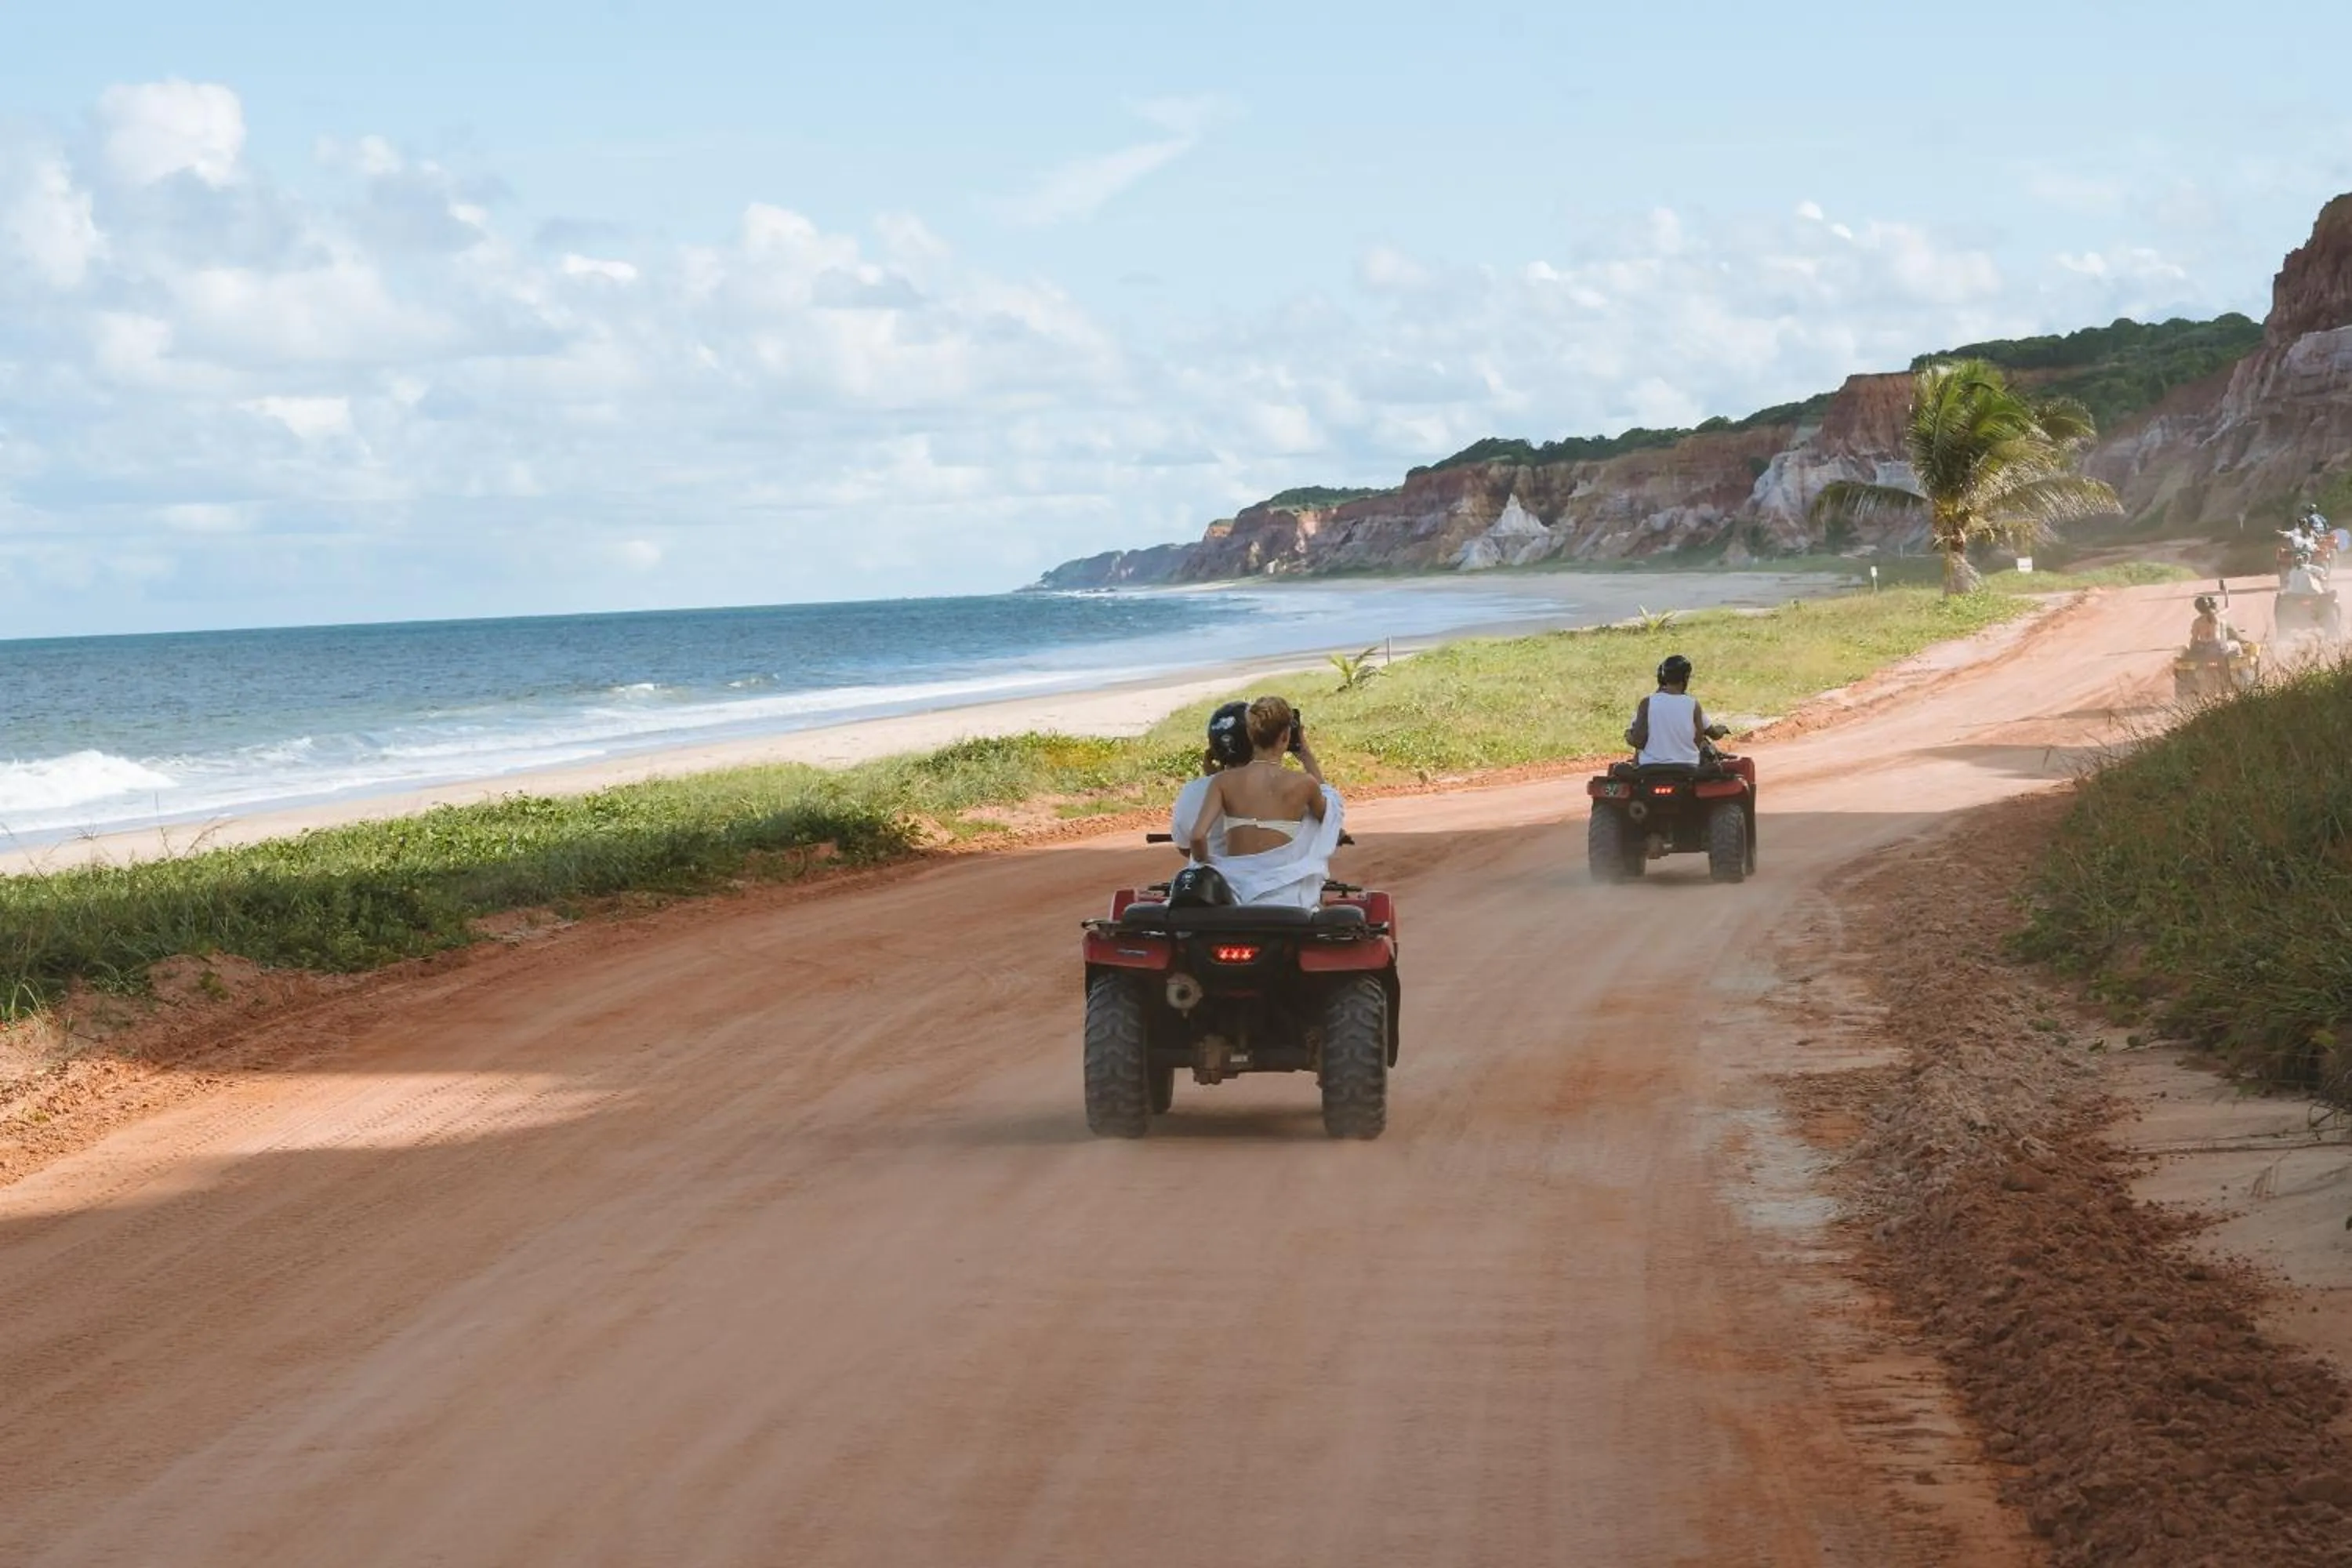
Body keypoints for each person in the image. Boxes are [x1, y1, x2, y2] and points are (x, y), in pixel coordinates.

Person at [1176, 695, 1346, 909]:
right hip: (1285, 896)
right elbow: (1330, 818)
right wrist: (1305, 754)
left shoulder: (1223, 781)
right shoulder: (1305, 784)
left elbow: (1197, 836)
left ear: (1250, 734)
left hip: (1235, 892)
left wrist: (1206, 865)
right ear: (1286, 736)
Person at [1625, 654, 1709, 767]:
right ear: (1686, 677)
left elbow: (1638, 741)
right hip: (1688, 766)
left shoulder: (1647, 703)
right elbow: (1699, 738)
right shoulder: (1693, 704)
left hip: (1650, 767)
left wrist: (1627, 735)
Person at [2187, 594, 2239, 659]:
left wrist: (2191, 651)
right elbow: (2227, 607)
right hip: (2219, 649)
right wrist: (2226, 594)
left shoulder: (2197, 622)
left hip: (2205, 650)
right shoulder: (2216, 615)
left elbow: (2194, 639)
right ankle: (2239, 665)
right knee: (2236, 644)